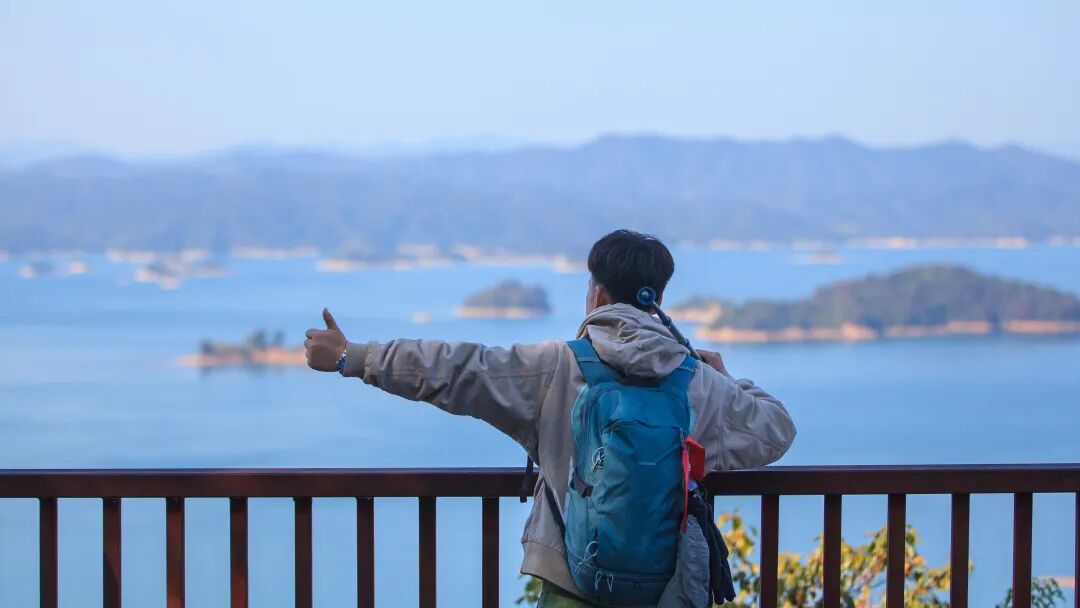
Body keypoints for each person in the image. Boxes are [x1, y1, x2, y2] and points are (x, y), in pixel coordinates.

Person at [304, 229, 796, 606]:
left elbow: (455, 369)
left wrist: (353, 357)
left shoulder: (555, 366)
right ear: (657, 301)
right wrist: (727, 378)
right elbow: (776, 430)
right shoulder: (693, 379)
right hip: (666, 587)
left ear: (597, 295)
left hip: (570, 582)